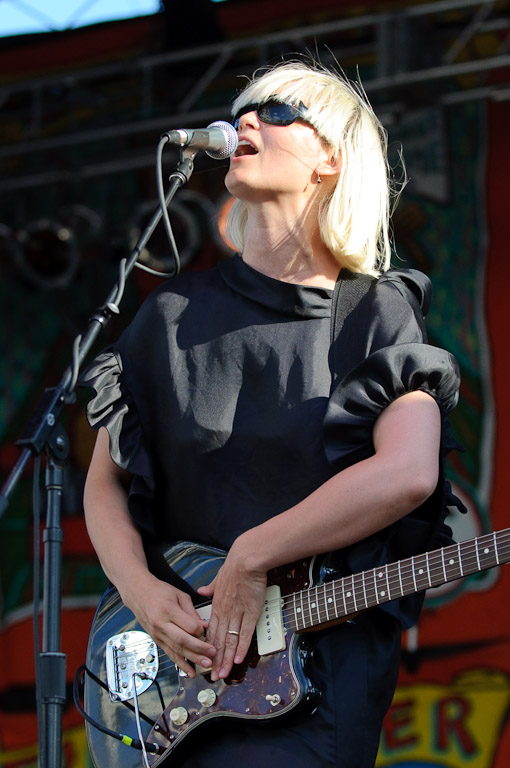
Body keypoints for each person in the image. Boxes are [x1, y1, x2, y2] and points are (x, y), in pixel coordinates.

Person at [81, 60, 462, 767]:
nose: (245, 120)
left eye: (279, 111)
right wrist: (140, 593)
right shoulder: (169, 317)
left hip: (315, 685)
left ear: (330, 158)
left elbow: (407, 473)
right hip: (181, 676)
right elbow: (104, 482)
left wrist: (255, 556)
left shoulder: (376, 313)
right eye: (241, 110)